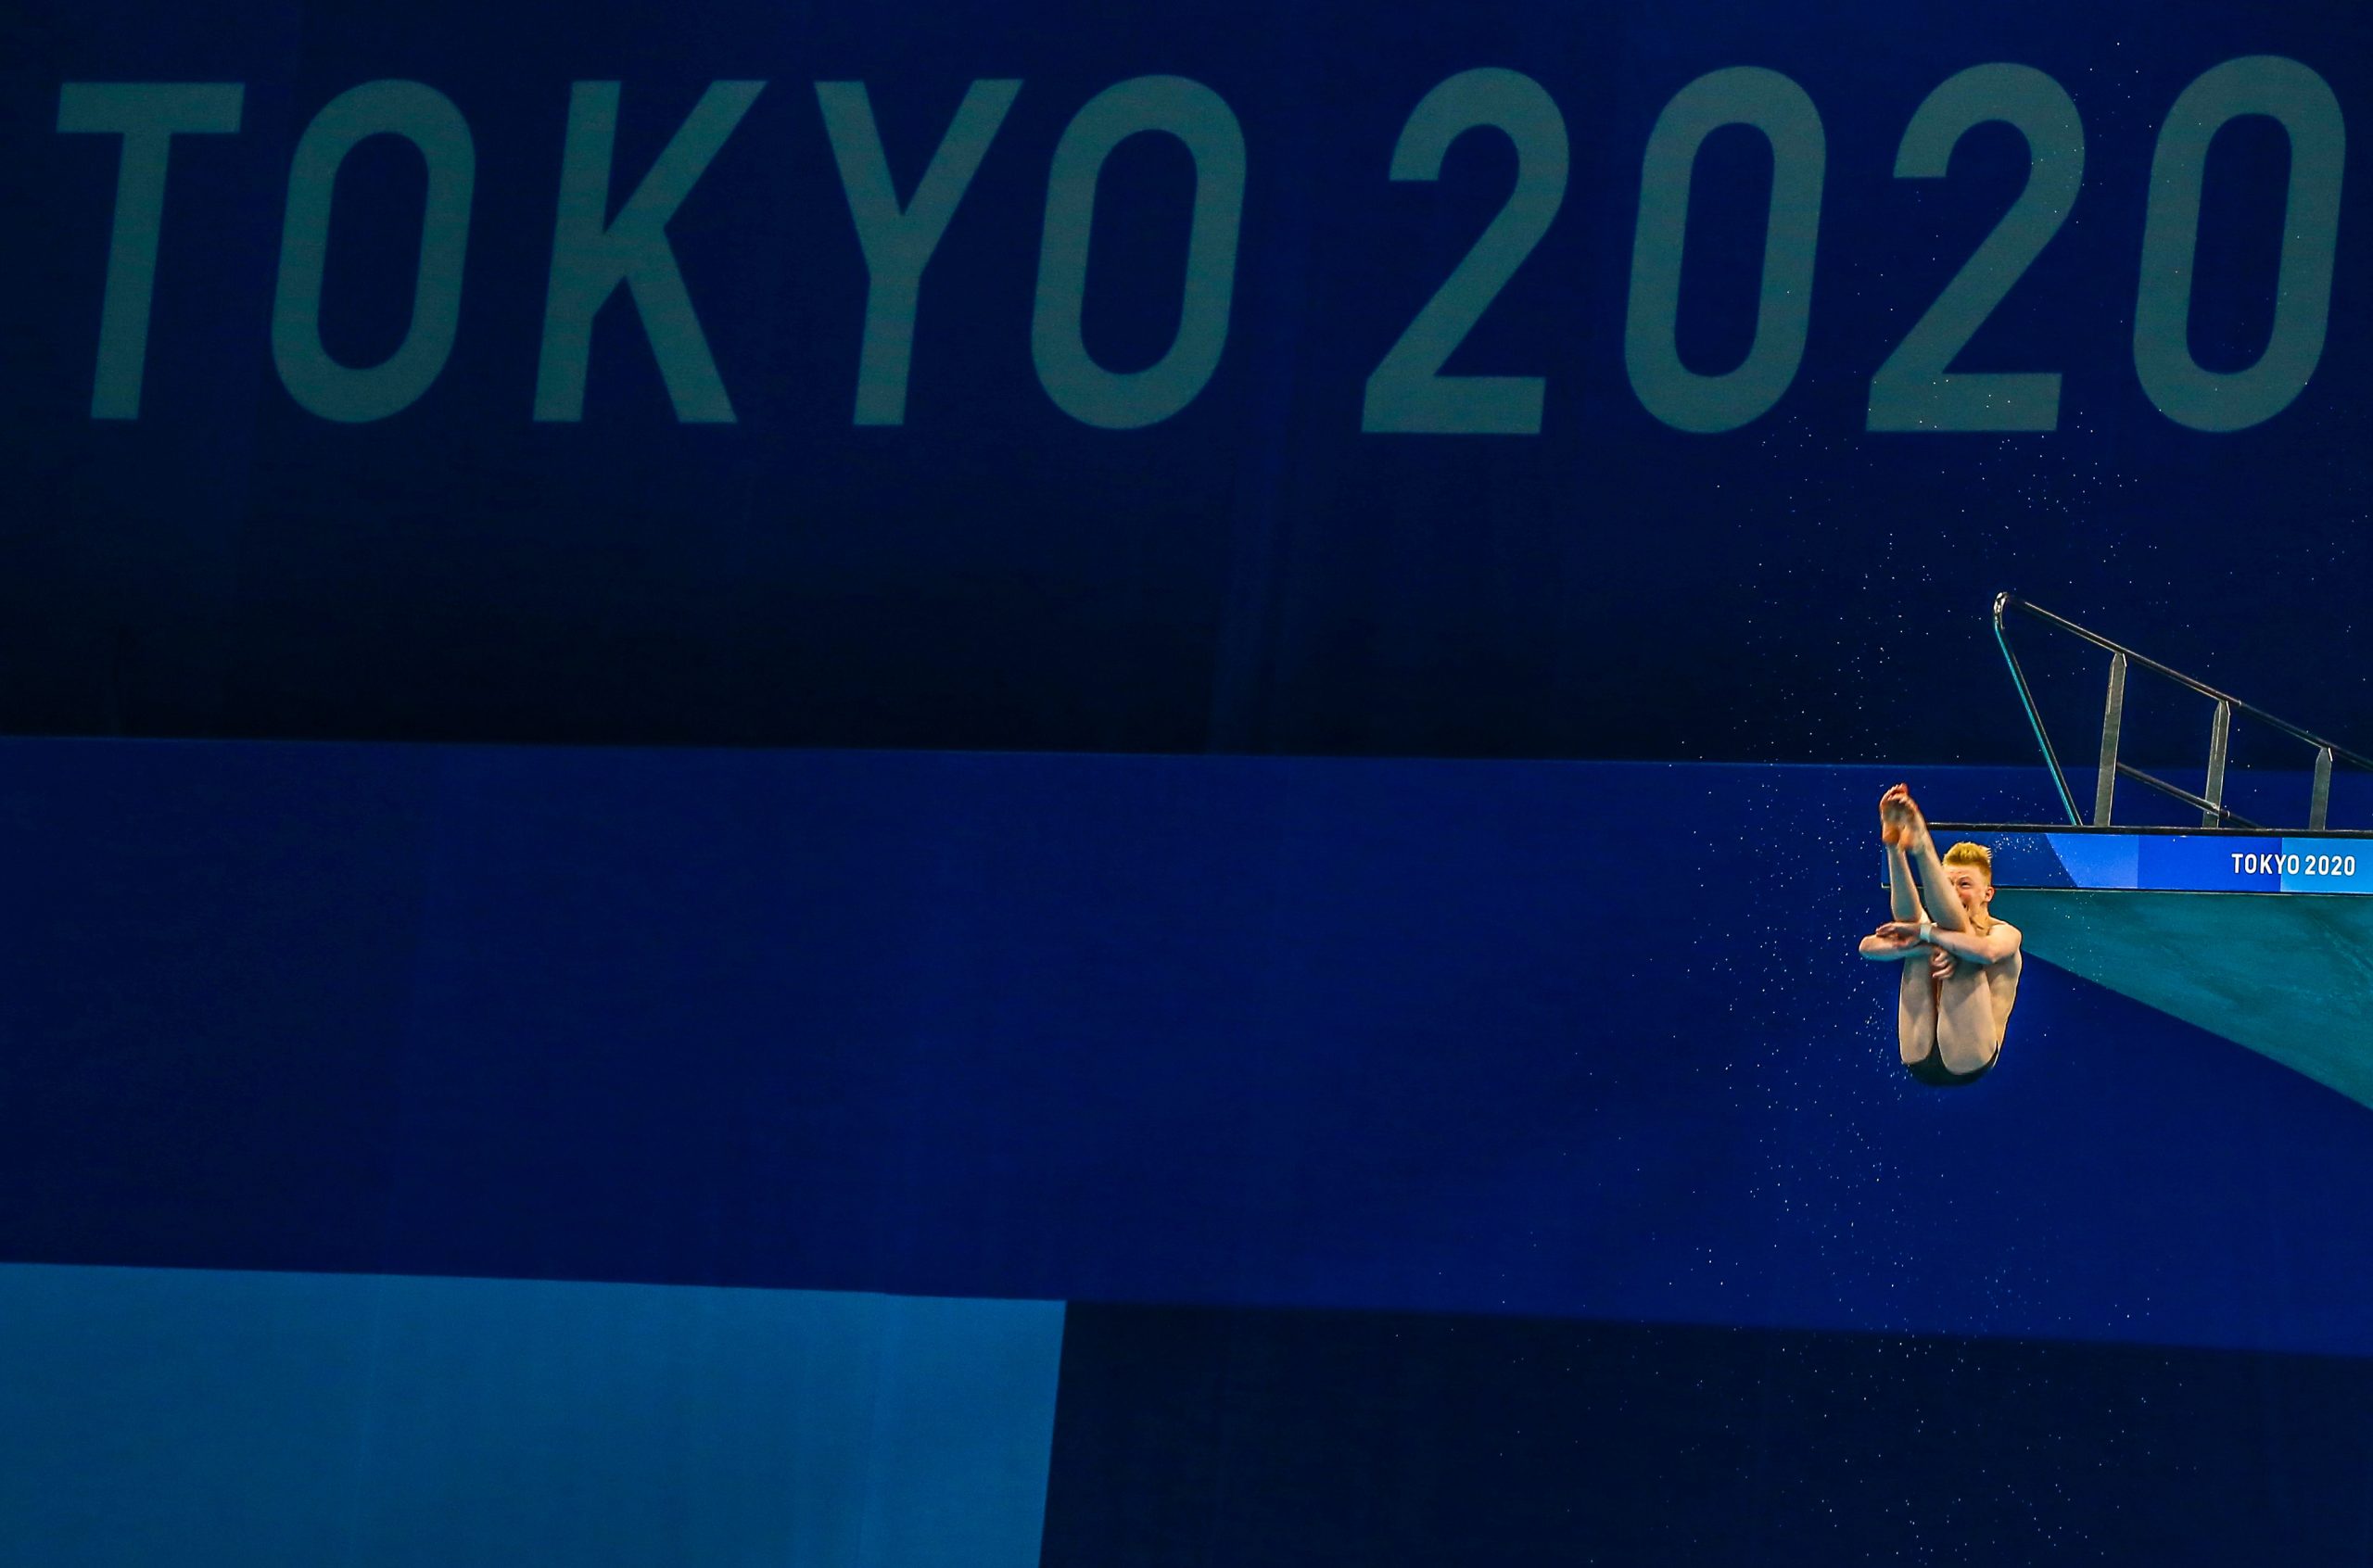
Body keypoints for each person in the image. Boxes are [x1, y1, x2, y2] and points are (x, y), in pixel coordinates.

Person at [1858, 784, 2023, 1086]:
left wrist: (1925, 935)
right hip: (1918, 1051)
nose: (1956, 892)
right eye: (1949, 885)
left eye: (1964, 884)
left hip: (1970, 1056)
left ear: (1988, 893)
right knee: (1929, 935)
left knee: (1960, 943)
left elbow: (1985, 953)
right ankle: (1894, 847)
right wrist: (1922, 943)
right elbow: (1867, 947)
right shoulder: (1928, 932)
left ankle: (1922, 847)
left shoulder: (2005, 932)